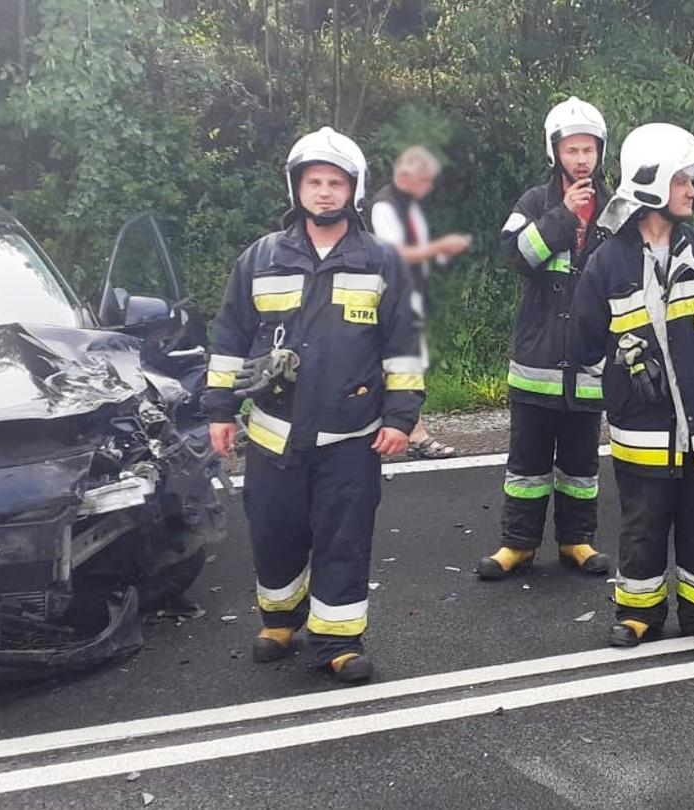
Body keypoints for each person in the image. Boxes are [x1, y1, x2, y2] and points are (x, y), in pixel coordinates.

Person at [203, 126, 424, 685]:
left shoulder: (381, 261)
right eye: (313, 182)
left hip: (350, 437)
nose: (324, 192)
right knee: (272, 530)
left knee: (342, 538)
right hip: (274, 434)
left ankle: (338, 641)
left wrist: (400, 417)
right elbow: (230, 338)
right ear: (296, 188)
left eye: (335, 183)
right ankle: (279, 620)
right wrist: (219, 411)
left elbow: (403, 345)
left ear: (354, 190)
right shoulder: (260, 259)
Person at [572, 122, 694, 650]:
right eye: (683, 181)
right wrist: (624, 378)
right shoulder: (607, 263)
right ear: (651, 185)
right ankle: (638, 613)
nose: (693, 190)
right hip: (643, 430)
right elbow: (583, 346)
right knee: (642, 524)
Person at [477, 96, 616, 581]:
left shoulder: (617, 208)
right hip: (537, 362)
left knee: (581, 466)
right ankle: (517, 545)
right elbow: (515, 256)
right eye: (572, 150)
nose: (581, 160)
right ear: (554, 151)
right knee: (527, 465)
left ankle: (577, 541)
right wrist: (562, 217)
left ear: (601, 153)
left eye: (589, 150)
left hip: (589, 365)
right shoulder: (535, 203)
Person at [366, 145, 472, 459]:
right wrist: (440, 246)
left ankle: (406, 428)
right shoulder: (384, 207)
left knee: (406, 362)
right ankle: (414, 431)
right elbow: (394, 254)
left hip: (411, 291)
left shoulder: (409, 207)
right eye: (423, 180)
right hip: (389, 296)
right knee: (402, 361)